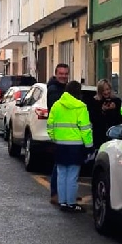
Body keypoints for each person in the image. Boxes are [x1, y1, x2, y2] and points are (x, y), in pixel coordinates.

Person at [47, 81, 93, 213]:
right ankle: (71, 203)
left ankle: (63, 202)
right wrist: (89, 146)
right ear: (78, 92)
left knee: (61, 174)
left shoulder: (57, 105)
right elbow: (85, 129)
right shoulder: (81, 107)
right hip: (76, 146)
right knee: (72, 176)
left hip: (60, 145)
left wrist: (55, 138)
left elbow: (50, 125)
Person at [46, 63, 69, 205]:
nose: (63, 76)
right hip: (60, 131)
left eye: (66, 74)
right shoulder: (54, 90)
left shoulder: (62, 88)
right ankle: (55, 193)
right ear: (56, 74)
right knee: (60, 164)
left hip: (66, 132)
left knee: (64, 164)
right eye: (61, 73)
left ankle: (65, 193)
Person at [87, 79, 122, 151]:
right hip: (99, 137)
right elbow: (93, 119)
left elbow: (120, 120)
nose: (106, 92)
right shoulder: (94, 102)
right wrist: (102, 110)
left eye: (107, 89)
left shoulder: (117, 101)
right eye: (103, 90)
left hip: (114, 136)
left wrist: (114, 110)